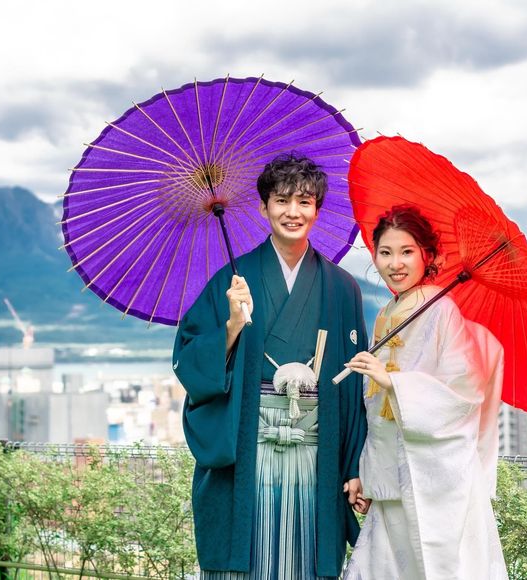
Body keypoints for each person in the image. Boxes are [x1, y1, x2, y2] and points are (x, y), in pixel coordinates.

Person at [173, 153, 368, 579]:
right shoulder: (231, 281)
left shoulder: (342, 288)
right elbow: (188, 358)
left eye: (304, 202)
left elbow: (354, 388)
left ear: (317, 210)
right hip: (249, 446)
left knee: (306, 559)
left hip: (317, 451)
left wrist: (355, 465)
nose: (292, 212)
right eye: (282, 200)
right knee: (247, 558)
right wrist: (231, 326)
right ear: (264, 208)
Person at [343, 204, 508, 580]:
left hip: (435, 479)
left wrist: (395, 383)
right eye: (385, 253)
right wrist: (367, 473)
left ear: (427, 255)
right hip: (391, 473)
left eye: (407, 252)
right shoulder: (386, 312)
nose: (395, 264)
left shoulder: (442, 310)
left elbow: (463, 390)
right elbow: (375, 409)